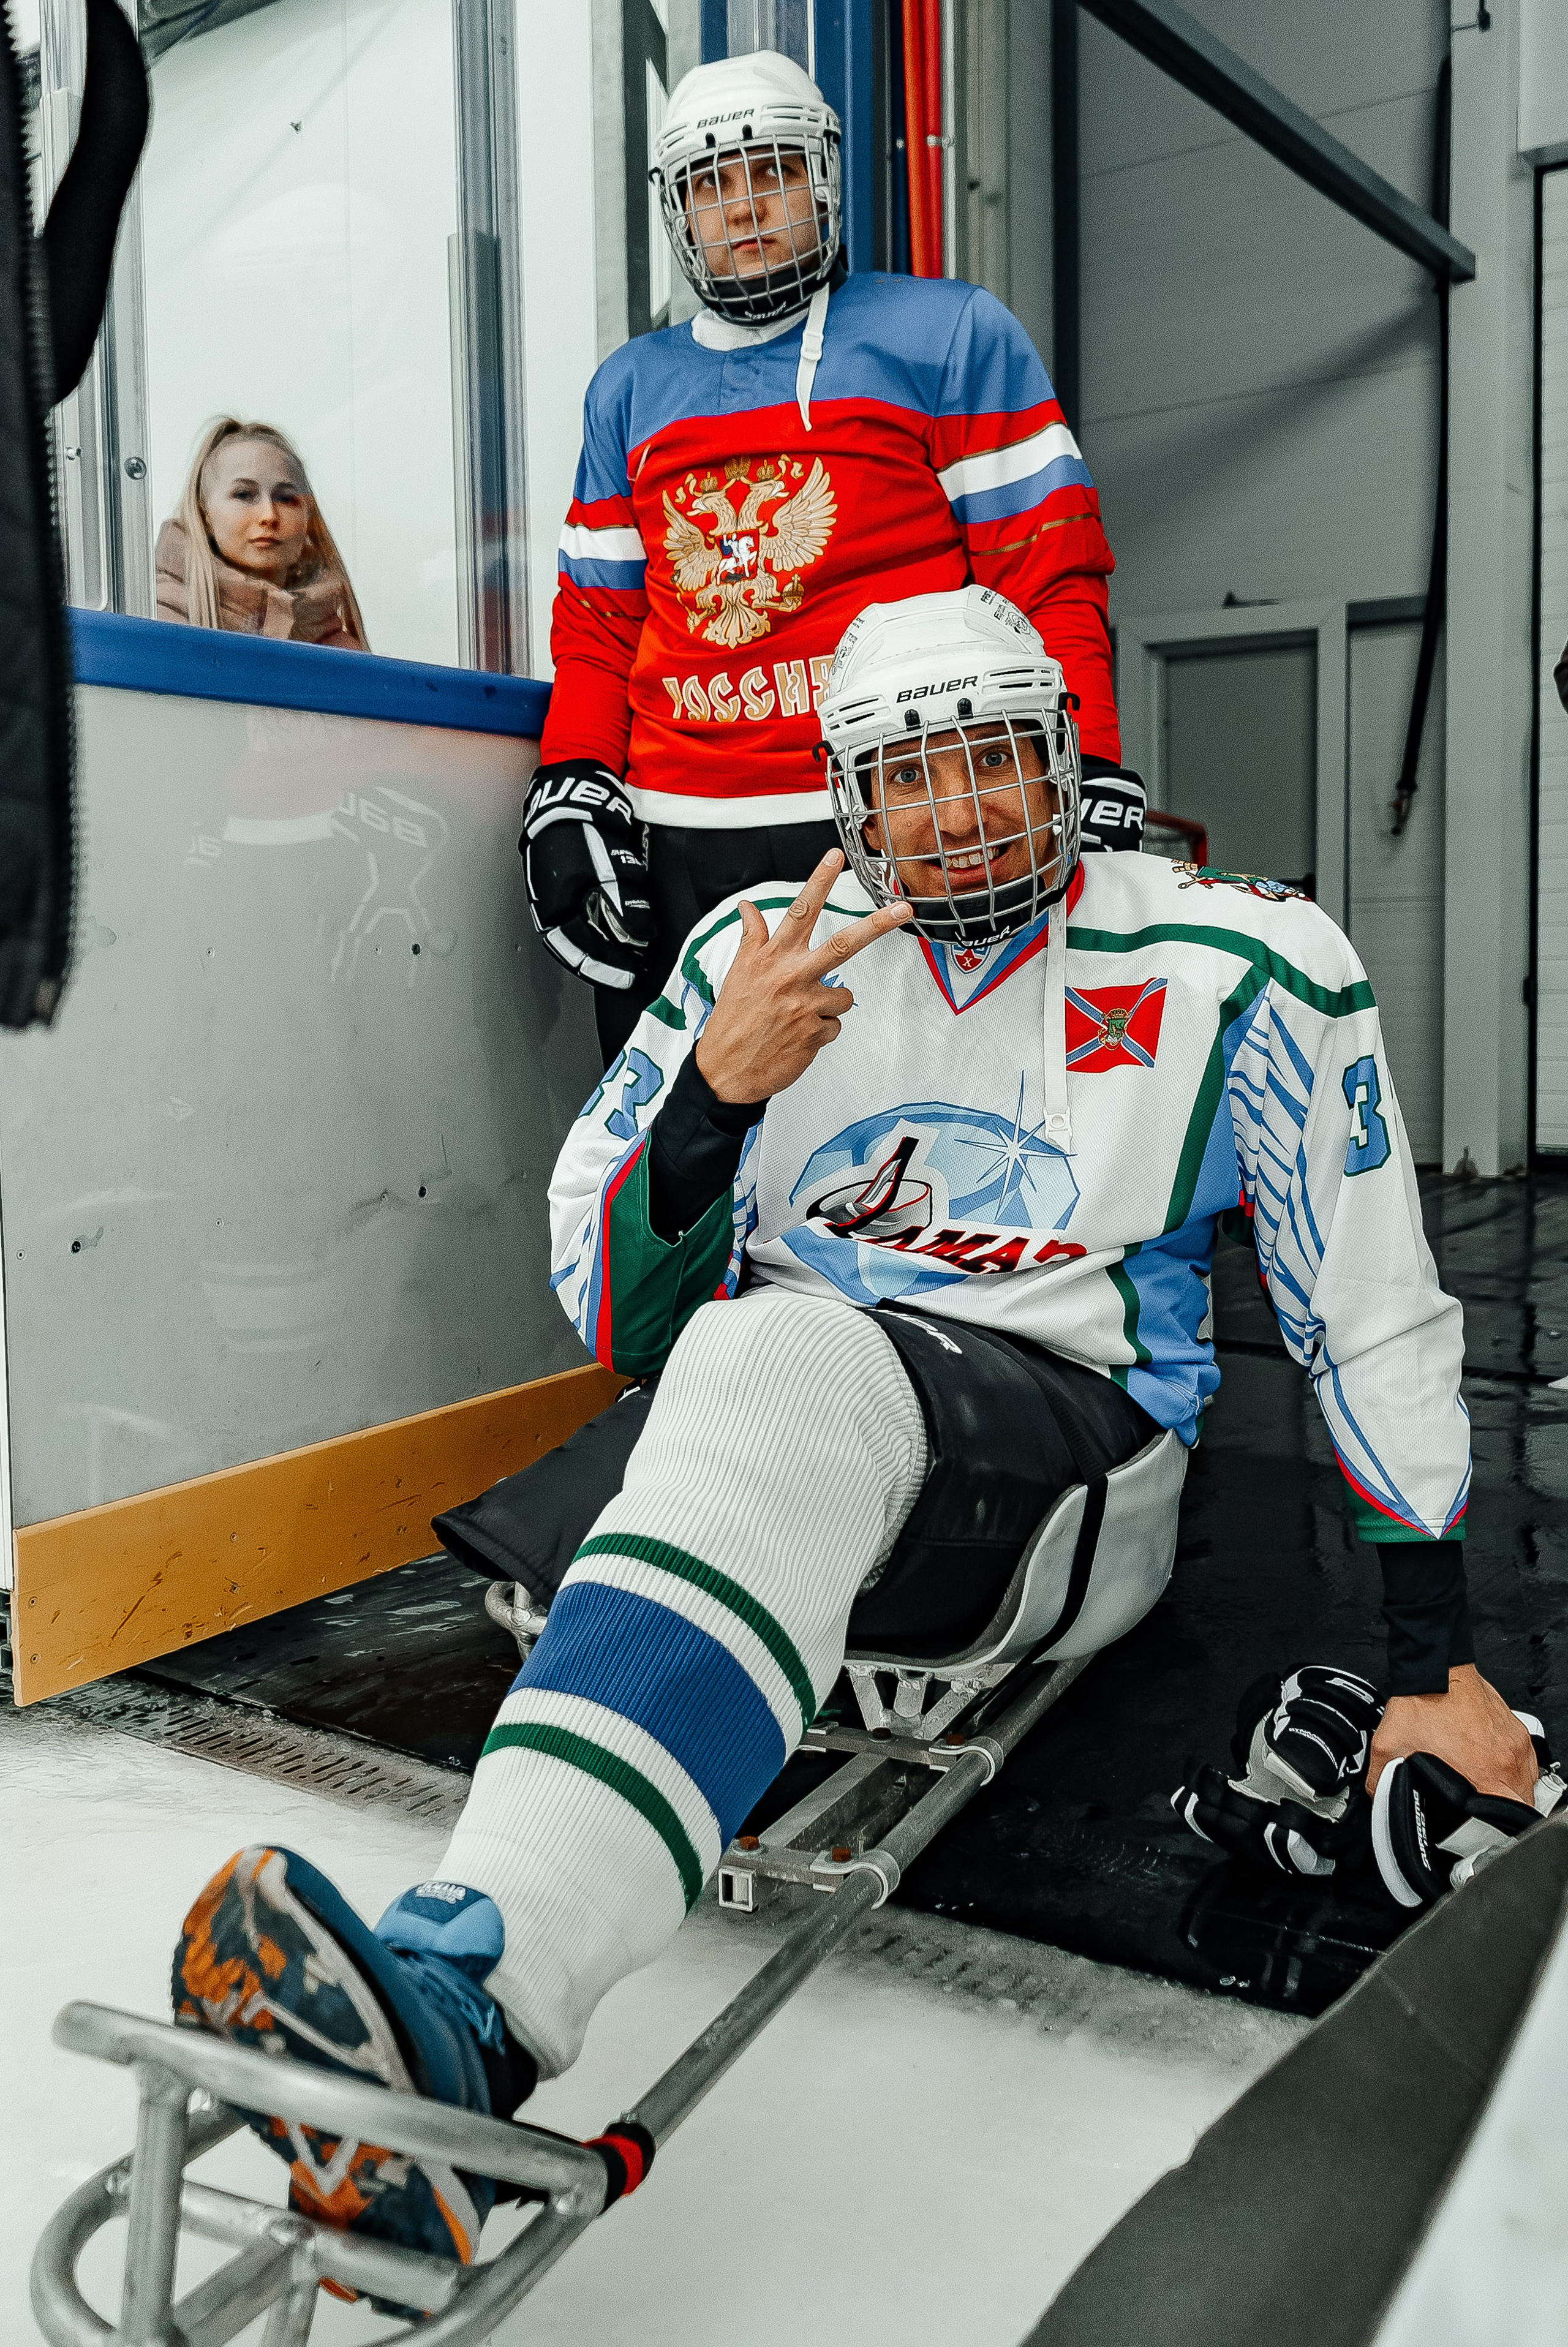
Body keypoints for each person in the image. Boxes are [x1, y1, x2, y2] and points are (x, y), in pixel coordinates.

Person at [172, 586, 1532, 2283]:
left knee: (769, 1357)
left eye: (993, 763)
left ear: (1062, 760)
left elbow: (1372, 1302)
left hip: (1071, 1448)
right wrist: (712, 1102)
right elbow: (607, 1303)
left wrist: (1433, 1655)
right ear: (850, 795)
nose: (957, 813)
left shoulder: (1233, 951)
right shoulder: (754, 952)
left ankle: (478, 2002)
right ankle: (468, 1986)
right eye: (911, 776)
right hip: (803, 1399)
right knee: (746, 1373)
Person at [522, 48, 1145, 1068]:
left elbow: (1047, 570)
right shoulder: (626, 389)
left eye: (768, 171)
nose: (744, 207)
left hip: (905, 804)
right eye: (712, 184)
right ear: (677, 209)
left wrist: (1093, 759)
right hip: (684, 830)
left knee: (922, 1148)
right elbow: (599, 624)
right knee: (694, 1150)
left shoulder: (950, 334)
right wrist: (573, 780)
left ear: (821, 176)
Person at [155, 417, 369, 650]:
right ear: (205, 514)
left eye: (286, 498)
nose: (269, 515)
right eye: (244, 495)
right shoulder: (151, 618)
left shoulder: (344, 653)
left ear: (308, 518)